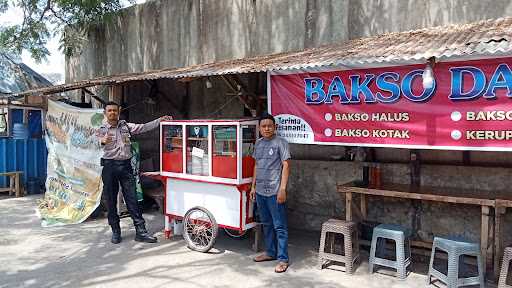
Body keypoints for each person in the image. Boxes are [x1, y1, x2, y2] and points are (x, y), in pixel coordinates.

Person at [96, 101, 172, 244]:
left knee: (132, 199)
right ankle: (116, 232)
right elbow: (94, 142)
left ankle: (141, 232)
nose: (112, 113)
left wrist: (159, 120)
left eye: (114, 110)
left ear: (118, 111)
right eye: (109, 110)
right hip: (109, 167)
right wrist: (102, 141)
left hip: (126, 166)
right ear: (105, 113)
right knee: (111, 201)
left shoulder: (126, 126)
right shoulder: (101, 129)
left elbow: (143, 127)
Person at [250, 113, 291, 273]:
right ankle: (270, 252)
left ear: (275, 127)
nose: (267, 128)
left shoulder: (281, 143)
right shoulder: (258, 143)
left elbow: (286, 166)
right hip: (260, 191)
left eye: (269, 125)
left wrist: (282, 189)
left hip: (275, 191)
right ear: (259, 128)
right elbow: (256, 166)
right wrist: (253, 187)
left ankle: (283, 259)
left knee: (279, 226)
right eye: (263, 126)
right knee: (266, 224)